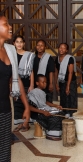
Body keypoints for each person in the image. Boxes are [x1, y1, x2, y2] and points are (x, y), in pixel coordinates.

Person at [0, 15, 30, 162]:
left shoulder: (10, 50)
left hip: (5, 109)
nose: (10, 27)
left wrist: (26, 106)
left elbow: (15, 79)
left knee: (5, 150)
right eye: (6, 24)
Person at [28, 74, 64, 141]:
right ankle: (51, 134)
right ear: (37, 83)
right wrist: (43, 112)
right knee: (55, 117)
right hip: (37, 114)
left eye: (46, 82)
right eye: (43, 82)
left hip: (43, 110)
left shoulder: (42, 92)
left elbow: (45, 102)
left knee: (61, 113)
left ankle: (57, 132)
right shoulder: (33, 92)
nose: (45, 84)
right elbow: (29, 107)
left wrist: (56, 106)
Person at [12, 35, 35, 132]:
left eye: (21, 42)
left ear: (24, 43)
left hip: (26, 82)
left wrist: (32, 85)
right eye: (17, 42)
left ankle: (26, 123)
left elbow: (31, 71)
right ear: (14, 43)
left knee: (26, 102)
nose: (19, 44)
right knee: (17, 104)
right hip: (15, 83)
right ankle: (20, 123)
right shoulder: (11, 55)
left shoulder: (28, 55)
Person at [55, 43, 77, 117]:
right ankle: (64, 112)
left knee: (70, 97)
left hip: (70, 81)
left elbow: (70, 72)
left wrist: (68, 86)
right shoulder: (57, 59)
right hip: (62, 81)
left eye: (64, 48)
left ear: (66, 50)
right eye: (60, 47)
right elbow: (56, 72)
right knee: (63, 97)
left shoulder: (69, 58)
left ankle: (71, 113)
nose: (61, 49)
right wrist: (56, 83)